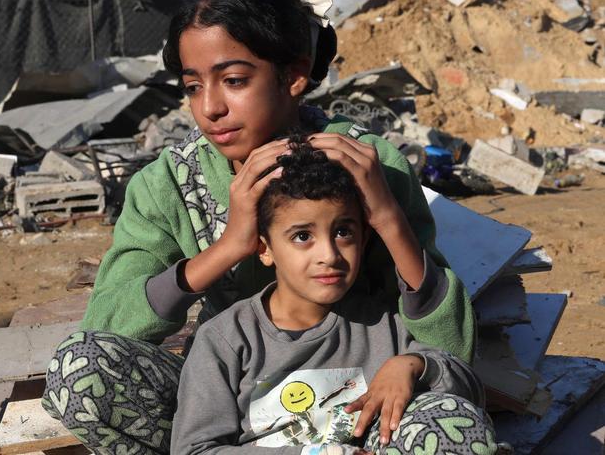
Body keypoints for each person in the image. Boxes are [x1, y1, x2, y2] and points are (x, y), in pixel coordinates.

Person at [41, 0, 476, 454]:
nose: (209, 108)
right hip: (226, 397)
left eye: (233, 81)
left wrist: (387, 216)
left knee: (452, 422)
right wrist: (228, 248)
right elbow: (105, 327)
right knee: (79, 369)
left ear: (293, 75)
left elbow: (452, 348)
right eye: (191, 87)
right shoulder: (166, 185)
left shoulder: (366, 166)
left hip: (361, 401)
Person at [170, 140, 496, 454]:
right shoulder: (226, 340)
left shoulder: (382, 327)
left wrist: (414, 364)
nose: (328, 254)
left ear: (364, 237)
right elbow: (195, 449)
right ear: (264, 247)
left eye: (343, 232)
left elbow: (466, 396)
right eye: (302, 236)